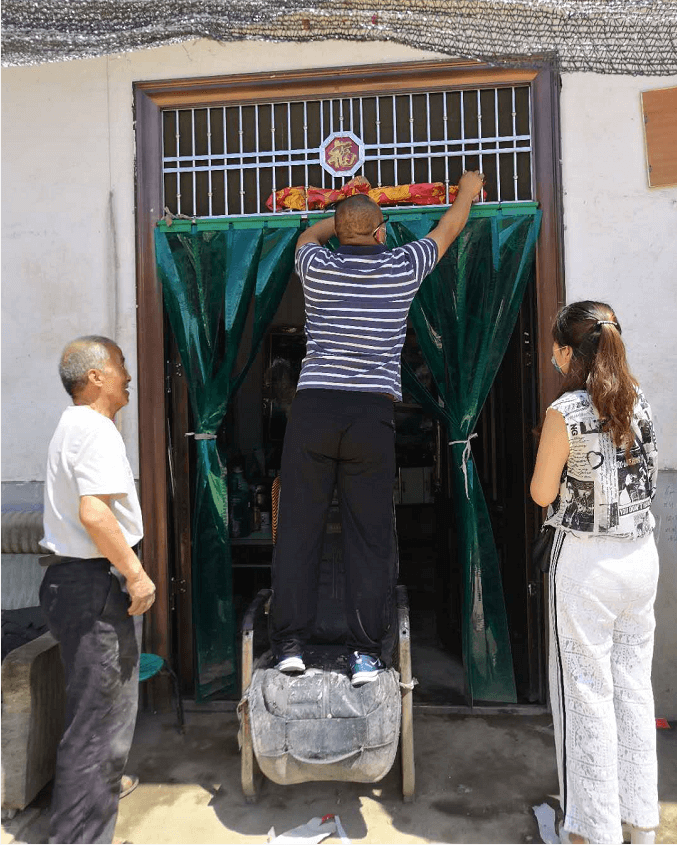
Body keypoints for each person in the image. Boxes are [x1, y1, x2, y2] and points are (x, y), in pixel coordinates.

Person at [269, 170, 484, 685]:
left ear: (341, 231)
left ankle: (290, 648)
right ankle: (365, 655)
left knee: (298, 529)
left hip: (313, 410)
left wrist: (345, 209)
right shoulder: (401, 266)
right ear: (381, 232)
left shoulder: (316, 265)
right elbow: (449, 229)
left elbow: (309, 234)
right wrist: (468, 191)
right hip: (371, 415)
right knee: (369, 536)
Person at [531, 302, 660, 845]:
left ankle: (591, 831)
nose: (552, 358)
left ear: (568, 352)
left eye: (554, 350)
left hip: (587, 564)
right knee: (633, 690)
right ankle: (640, 824)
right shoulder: (639, 400)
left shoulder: (566, 411)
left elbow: (541, 492)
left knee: (585, 694)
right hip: (641, 558)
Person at [39, 336, 156, 844]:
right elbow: (95, 513)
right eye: (121, 365)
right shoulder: (95, 428)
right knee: (99, 729)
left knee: (92, 721)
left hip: (74, 584)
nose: (128, 375)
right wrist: (136, 573)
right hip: (91, 587)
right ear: (96, 377)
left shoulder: (74, 426)